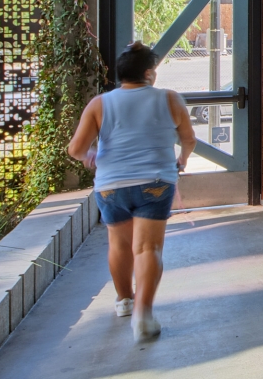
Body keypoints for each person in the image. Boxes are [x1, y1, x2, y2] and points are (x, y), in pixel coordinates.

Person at [68, 41, 195, 343]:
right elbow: (188, 140)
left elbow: (76, 149)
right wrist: (182, 160)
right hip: (156, 182)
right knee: (147, 249)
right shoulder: (170, 99)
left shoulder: (100, 103)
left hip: (112, 186)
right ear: (149, 73)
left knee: (119, 246)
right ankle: (143, 313)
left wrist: (91, 157)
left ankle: (124, 300)